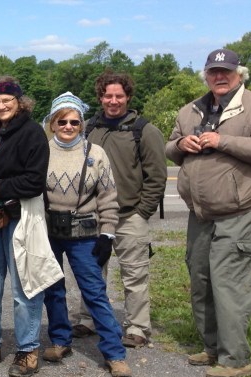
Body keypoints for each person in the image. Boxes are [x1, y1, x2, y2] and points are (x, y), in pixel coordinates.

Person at [0, 76, 61, 377]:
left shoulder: (31, 134)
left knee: (24, 288)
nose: (2, 105)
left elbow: (34, 181)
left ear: (20, 102)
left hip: (20, 219)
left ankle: (28, 348)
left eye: (7, 100)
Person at [165, 48, 251, 377]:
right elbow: (170, 147)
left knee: (228, 282)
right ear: (206, 74)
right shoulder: (191, 110)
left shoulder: (250, 105)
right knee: (200, 279)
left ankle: (236, 359)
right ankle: (212, 347)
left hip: (238, 211)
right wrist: (181, 144)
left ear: (238, 74)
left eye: (226, 72)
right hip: (199, 213)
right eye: (213, 71)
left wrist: (222, 141)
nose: (219, 76)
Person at [39, 92, 132, 377]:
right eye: (62, 121)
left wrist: (108, 234)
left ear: (81, 123)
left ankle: (114, 353)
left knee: (94, 292)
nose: (68, 126)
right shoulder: (41, 151)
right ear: (53, 123)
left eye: (74, 122)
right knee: (53, 289)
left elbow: (108, 196)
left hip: (85, 233)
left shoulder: (96, 154)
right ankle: (60, 340)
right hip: (49, 231)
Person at [71, 71, 167, 348]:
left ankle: (137, 326)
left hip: (129, 216)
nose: (113, 101)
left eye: (119, 96)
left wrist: (142, 212)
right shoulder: (88, 128)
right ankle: (88, 319)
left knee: (134, 274)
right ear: (100, 97)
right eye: (108, 95)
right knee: (91, 271)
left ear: (128, 97)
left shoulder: (144, 131)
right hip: (94, 216)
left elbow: (157, 176)